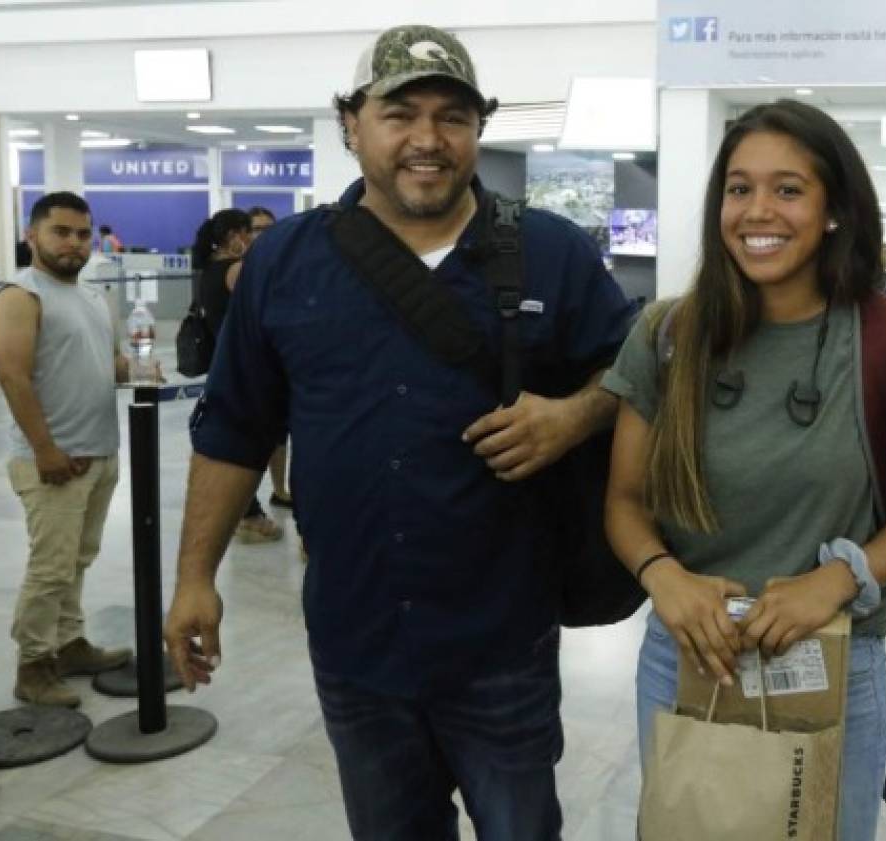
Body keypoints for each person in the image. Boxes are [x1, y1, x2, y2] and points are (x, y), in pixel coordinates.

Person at [163, 24, 632, 841]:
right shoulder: (286, 263)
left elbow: (637, 371)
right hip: (356, 641)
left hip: (502, 638)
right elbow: (236, 424)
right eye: (399, 112)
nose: (427, 139)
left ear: (479, 129)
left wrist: (573, 415)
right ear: (351, 123)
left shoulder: (548, 251)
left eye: (452, 116)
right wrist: (195, 576)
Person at [601, 100, 886, 841]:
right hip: (686, 655)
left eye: (788, 189)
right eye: (739, 188)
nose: (757, 210)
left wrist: (839, 576)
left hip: (832, 660)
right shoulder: (669, 334)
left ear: (834, 209)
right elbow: (625, 501)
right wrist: (664, 575)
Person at [0, 192, 135, 707]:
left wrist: (134, 370)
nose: (74, 243)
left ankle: (70, 643)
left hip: (99, 452)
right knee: (50, 566)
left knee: (78, 558)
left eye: (82, 233)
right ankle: (33, 666)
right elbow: (13, 375)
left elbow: (110, 362)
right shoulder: (20, 295)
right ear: (33, 236)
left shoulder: (93, 297)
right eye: (61, 232)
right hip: (50, 460)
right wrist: (45, 449)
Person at [191, 208, 283, 544]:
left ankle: (253, 510)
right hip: (248, 369)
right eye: (251, 231)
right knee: (247, 445)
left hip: (223, 365)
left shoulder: (208, 272)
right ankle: (249, 514)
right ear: (235, 236)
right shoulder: (236, 270)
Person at [245, 205, 292, 509]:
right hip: (249, 368)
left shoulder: (282, 265)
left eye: (269, 228)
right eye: (257, 229)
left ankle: (279, 488)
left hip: (280, 367)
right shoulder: (239, 270)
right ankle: (246, 506)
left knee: (279, 435)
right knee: (245, 438)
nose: (264, 234)